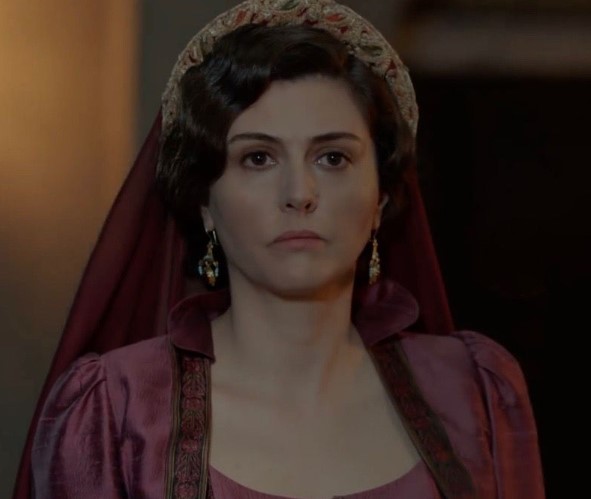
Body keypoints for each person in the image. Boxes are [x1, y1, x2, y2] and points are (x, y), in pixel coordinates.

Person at [14, 0, 544, 497]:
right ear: (204, 202)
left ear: (380, 199)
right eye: (258, 158)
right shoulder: (116, 411)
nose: (299, 194)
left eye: (332, 158)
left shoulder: (475, 393)